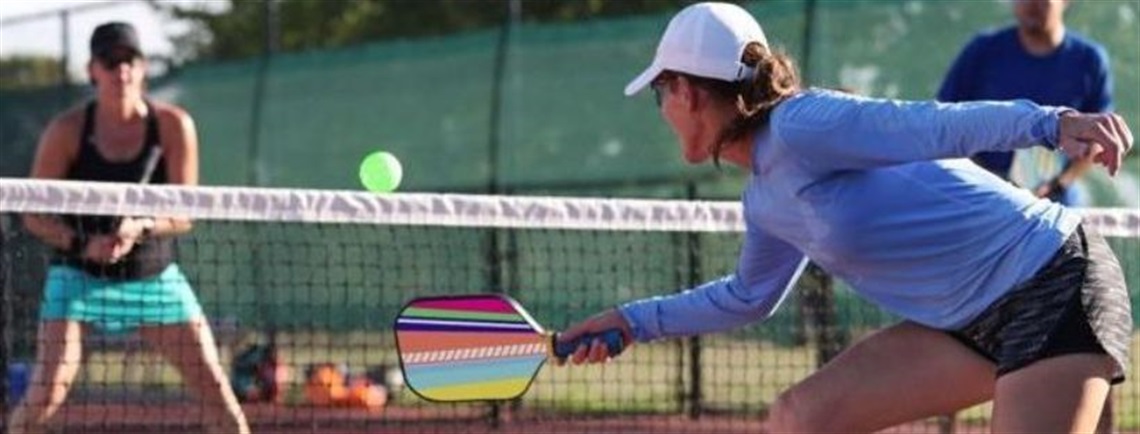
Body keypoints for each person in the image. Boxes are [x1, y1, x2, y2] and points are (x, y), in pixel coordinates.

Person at [557, 3, 1133, 433]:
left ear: (682, 90)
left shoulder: (802, 123)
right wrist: (632, 322)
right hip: (967, 320)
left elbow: (928, 126)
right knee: (800, 417)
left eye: (661, 93)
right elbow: (747, 297)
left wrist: (1051, 122)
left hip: (1051, 279)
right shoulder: (764, 199)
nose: (663, 110)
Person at [7, 22, 249, 434]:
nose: (122, 70)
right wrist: (83, 245)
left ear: (143, 69)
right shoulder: (66, 132)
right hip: (76, 277)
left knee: (219, 396)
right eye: (111, 61)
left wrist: (143, 225)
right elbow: (32, 214)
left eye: (131, 60)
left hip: (152, 280)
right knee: (45, 396)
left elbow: (186, 213)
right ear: (93, 71)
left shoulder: (173, 126)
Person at [938, 0, 1112, 206]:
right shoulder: (982, 50)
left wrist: (1059, 184)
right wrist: (983, 180)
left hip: (1055, 201)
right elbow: (943, 123)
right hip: (983, 194)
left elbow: (1097, 140)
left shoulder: (1090, 60)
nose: (1031, 3)